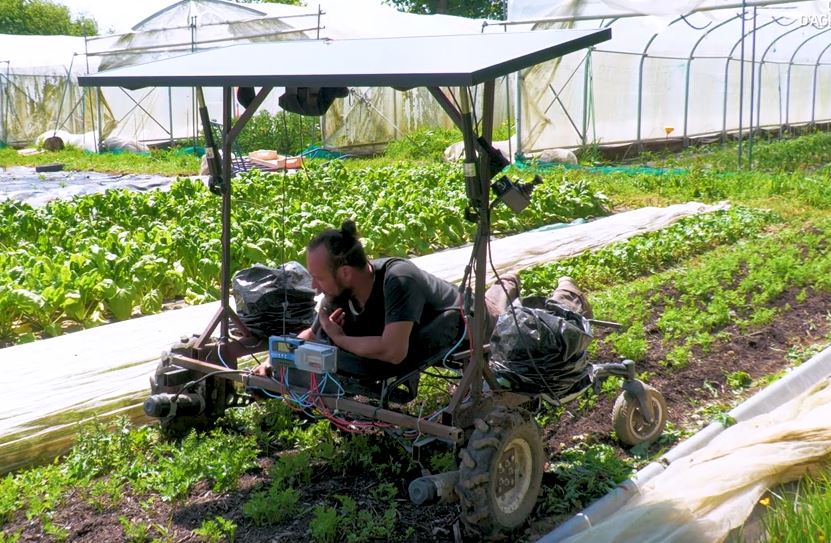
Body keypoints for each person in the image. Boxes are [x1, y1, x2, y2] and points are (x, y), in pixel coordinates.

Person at [252, 220, 525, 378]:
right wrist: (274, 360)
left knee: (502, 315)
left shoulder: (399, 279)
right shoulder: (340, 290)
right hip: (437, 318)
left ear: (345, 272)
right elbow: (311, 335)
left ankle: (521, 284)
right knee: (494, 299)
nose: (314, 287)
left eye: (318, 278)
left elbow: (394, 352)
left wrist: (340, 339)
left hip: (474, 320)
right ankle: (507, 284)